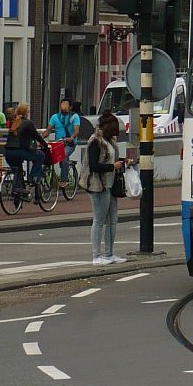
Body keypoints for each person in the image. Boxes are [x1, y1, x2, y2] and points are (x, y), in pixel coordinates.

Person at [85, 111, 128, 266]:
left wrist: (122, 163)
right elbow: (93, 165)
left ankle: (109, 254)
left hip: (109, 184)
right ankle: (97, 255)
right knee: (99, 220)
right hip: (98, 185)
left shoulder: (109, 140)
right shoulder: (95, 141)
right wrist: (112, 166)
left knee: (112, 220)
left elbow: (111, 159)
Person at [3, 104, 48, 195]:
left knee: (17, 170)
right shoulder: (27, 123)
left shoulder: (14, 122)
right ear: (26, 113)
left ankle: (19, 196)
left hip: (8, 153)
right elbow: (37, 136)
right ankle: (32, 177)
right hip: (20, 151)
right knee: (41, 156)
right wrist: (46, 146)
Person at [46, 98, 81, 188]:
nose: (63, 107)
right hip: (58, 143)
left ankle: (64, 180)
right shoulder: (55, 117)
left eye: (65, 105)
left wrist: (72, 138)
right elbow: (48, 130)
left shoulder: (74, 117)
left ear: (70, 107)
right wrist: (40, 138)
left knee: (64, 155)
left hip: (69, 144)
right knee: (48, 156)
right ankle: (51, 178)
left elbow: (76, 130)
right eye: (62, 104)